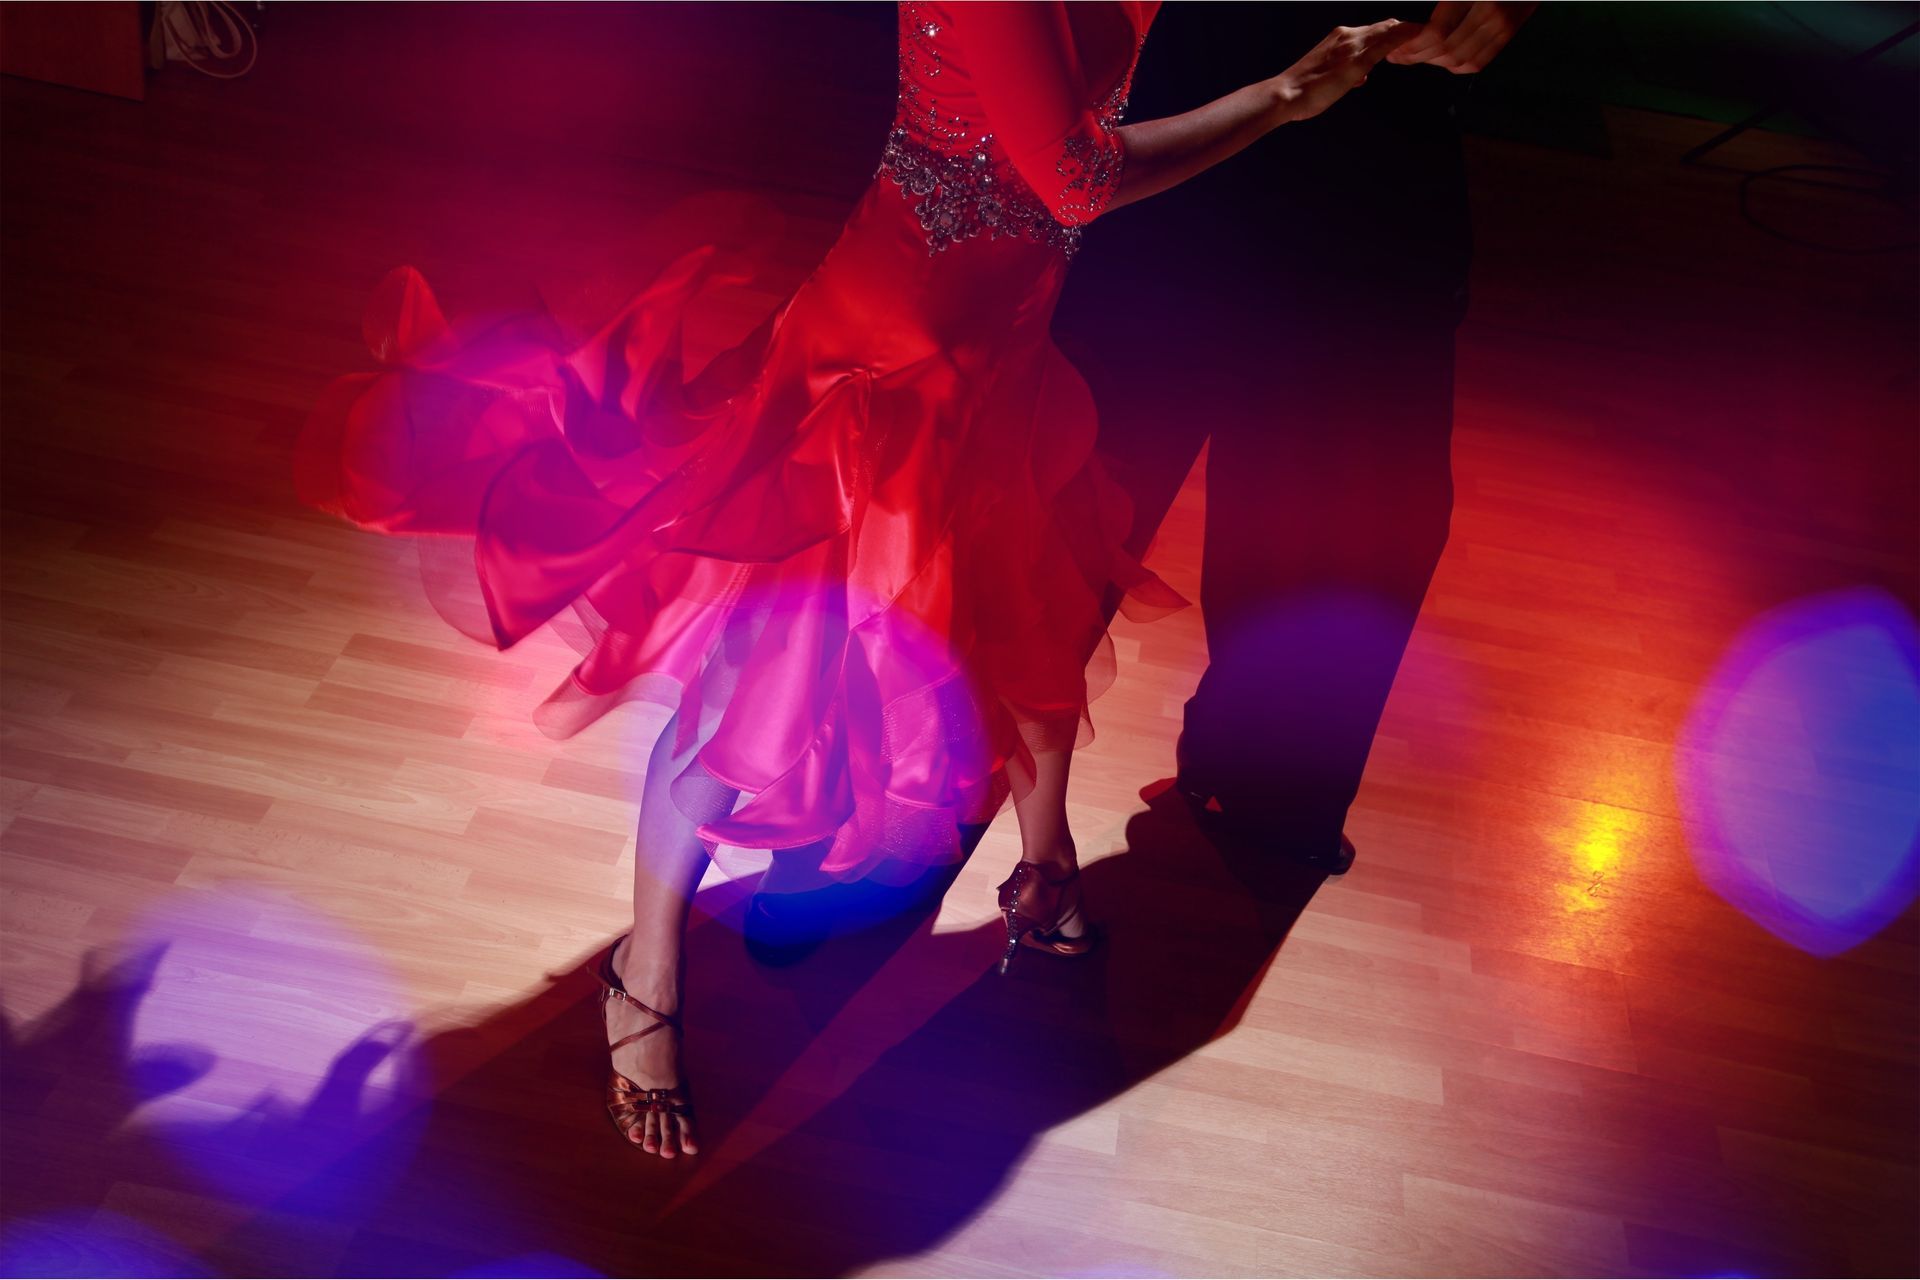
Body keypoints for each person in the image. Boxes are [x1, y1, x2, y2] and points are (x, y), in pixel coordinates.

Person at [296, 1, 1420, 1160]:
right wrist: (1290, 96)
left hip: (1000, 341)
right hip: (891, 363)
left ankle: (1042, 876)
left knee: (1028, 606)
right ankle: (646, 975)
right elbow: (1075, 176)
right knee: (761, 690)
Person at [1055, 1, 1534, 879]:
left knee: (1353, 508)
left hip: (1380, 121)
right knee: (1068, 481)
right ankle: (935, 784)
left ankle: (1267, 785)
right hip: (1162, 83)